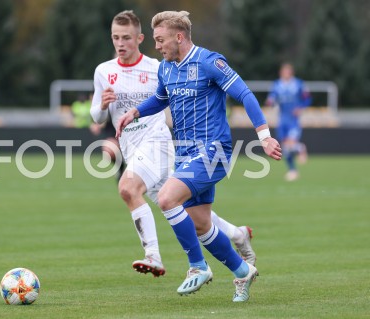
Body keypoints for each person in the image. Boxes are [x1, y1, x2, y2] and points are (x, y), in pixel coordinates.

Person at [116, 11, 281, 302]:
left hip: (213, 151)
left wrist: (264, 137)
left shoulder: (209, 62)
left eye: (161, 40)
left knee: (167, 198)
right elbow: (161, 98)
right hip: (185, 153)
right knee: (200, 223)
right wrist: (136, 111)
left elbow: (245, 95)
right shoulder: (166, 68)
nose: (157, 46)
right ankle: (242, 270)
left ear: (179, 37)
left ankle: (197, 267)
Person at [92, 10, 257, 280]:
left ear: (139, 38)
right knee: (189, 213)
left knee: (130, 188)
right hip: (135, 150)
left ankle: (156, 257)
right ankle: (237, 234)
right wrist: (103, 107)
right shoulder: (104, 71)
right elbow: (97, 118)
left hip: (159, 144)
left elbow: (174, 96)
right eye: (115, 38)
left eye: (126, 37)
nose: (120, 43)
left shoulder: (158, 66)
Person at [265, 62, 311, 181]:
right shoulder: (277, 85)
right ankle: (292, 170)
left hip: (293, 120)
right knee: (285, 149)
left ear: (291, 73)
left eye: (287, 71)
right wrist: (270, 102)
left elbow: (307, 98)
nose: (285, 74)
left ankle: (301, 148)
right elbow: (272, 97)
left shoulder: (298, 84)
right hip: (282, 120)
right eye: (283, 71)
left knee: (291, 143)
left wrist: (301, 107)